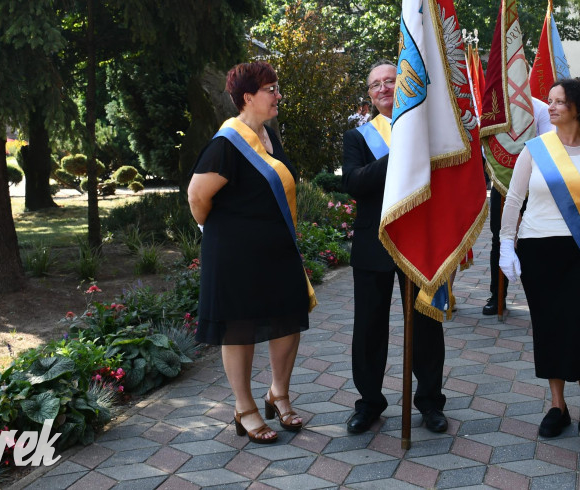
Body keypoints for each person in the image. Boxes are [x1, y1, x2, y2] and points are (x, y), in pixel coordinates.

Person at [187, 61, 315, 445]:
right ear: (248, 97)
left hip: (277, 250)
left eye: (277, 88)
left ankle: (278, 393)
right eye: (271, 89)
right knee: (239, 328)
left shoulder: (269, 137)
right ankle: (244, 409)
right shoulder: (226, 143)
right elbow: (197, 197)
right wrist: (227, 231)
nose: (278, 95)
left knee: (288, 319)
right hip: (235, 254)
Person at [499, 79, 580, 444]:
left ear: (578, 109)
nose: (550, 107)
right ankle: (557, 407)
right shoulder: (536, 150)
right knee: (550, 328)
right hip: (540, 250)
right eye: (549, 101)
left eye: (559, 102)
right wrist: (507, 244)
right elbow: (513, 201)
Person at [342, 60, 448, 434]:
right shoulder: (358, 137)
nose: (384, 88)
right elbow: (355, 184)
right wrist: (398, 153)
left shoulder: (428, 131)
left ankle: (430, 403)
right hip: (374, 245)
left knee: (426, 327)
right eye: (376, 84)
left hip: (420, 241)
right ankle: (369, 403)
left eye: (391, 81)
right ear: (369, 94)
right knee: (369, 329)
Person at [483, 96, 552, 315]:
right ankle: (497, 295)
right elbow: (486, 141)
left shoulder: (540, 108)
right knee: (499, 237)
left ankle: (539, 294)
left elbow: (549, 142)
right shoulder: (495, 107)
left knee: (533, 237)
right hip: (502, 181)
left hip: (536, 180)